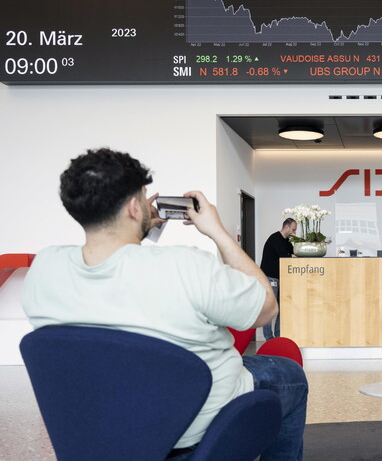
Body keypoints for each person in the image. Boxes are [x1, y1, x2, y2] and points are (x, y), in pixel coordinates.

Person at [22, 148, 307, 461]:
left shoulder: (45, 269)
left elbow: (116, 268)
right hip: (196, 430)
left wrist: (138, 229)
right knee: (291, 375)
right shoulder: (185, 266)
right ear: (134, 207)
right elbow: (267, 308)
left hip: (105, 423)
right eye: (144, 197)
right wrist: (217, 231)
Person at [259, 218, 297, 340]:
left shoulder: (287, 242)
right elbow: (285, 255)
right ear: (286, 227)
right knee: (270, 309)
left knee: (282, 307)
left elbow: (292, 254)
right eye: (293, 230)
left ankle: (278, 335)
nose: (294, 233)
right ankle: (269, 338)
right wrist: (292, 256)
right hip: (270, 278)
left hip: (281, 278)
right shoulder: (275, 238)